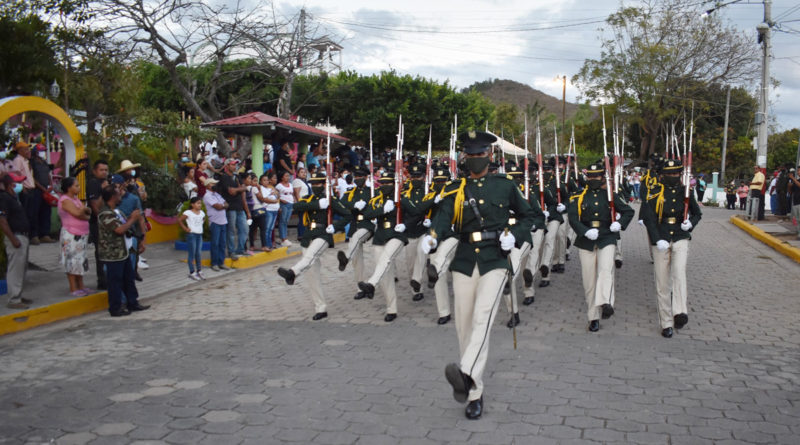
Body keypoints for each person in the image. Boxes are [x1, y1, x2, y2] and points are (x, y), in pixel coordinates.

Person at [422, 131, 534, 420]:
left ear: (490, 156)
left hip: (495, 258)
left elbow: (530, 216)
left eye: (480, 155)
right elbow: (443, 219)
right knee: (465, 325)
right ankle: (474, 390)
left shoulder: (505, 185)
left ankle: (466, 374)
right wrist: (433, 237)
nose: (475, 160)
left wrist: (516, 236)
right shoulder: (455, 188)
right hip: (465, 260)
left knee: (483, 318)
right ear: (465, 157)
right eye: (470, 155)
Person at [567, 161, 634, 333]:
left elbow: (628, 211)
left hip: (606, 237)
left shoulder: (610, 195)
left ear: (602, 177)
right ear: (586, 177)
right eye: (591, 176)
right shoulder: (578, 196)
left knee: (605, 271)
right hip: (586, 240)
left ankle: (605, 302)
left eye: (597, 176)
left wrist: (619, 224)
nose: (594, 179)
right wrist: (584, 231)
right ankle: (593, 317)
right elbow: (573, 219)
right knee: (589, 281)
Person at [640, 159, 702, 338]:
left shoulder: (686, 192)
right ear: (662, 175)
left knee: (679, 273)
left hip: (681, 236)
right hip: (661, 237)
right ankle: (666, 322)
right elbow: (649, 218)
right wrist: (656, 239)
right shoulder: (654, 192)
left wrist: (690, 224)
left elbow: (697, 213)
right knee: (662, 281)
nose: (673, 176)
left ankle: (680, 312)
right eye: (669, 174)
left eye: (676, 173)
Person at [277, 173, 348, 320]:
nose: (315, 186)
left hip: (323, 233)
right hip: (308, 235)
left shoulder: (330, 199)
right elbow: (295, 206)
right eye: (313, 184)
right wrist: (317, 204)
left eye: (318, 184)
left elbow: (347, 214)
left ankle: (292, 273)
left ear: (323, 185)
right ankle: (320, 308)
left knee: (310, 256)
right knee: (312, 275)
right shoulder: (308, 199)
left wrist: (335, 227)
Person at [97, 185, 150, 317]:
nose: (121, 196)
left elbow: (126, 227)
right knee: (115, 281)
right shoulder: (105, 214)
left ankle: (133, 302)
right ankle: (115, 308)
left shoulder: (117, 212)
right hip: (113, 254)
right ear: (112, 197)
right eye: (118, 194)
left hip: (124, 251)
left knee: (128, 278)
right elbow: (119, 230)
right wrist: (133, 218)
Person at [336, 167, 376, 299]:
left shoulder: (371, 192)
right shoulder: (350, 193)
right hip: (355, 225)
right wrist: (353, 206)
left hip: (368, 224)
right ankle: (361, 287)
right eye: (356, 177)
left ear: (366, 178)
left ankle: (346, 257)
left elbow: (376, 206)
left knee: (358, 238)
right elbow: (341, 205)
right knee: (357, 259)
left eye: (361, 177)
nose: (358, 179)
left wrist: (365, 206)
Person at [0, 172, 33, 309]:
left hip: (23, 236)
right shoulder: (3, 198)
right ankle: (14, 299)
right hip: (16, 236)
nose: (18, 185)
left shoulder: (13, 197)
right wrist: (13, 239)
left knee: (21, 269)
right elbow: (2, 221)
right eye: (15, 182)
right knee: (15, 269)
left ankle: (18, 294)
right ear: (9, 184)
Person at [57, 177, 92, 297]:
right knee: (72, 260)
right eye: (76, 186)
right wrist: (84, 211)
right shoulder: (65, 200)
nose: (79, 187)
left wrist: (84, 212)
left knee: (80, 260)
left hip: (81, 233)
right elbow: (78, 213)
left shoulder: (76, 200)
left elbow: (86, 215)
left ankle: (81, 285)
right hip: (71, 234)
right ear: (68, 188)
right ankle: (73, 287)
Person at [218, 158, 251, 259]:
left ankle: (240, 249)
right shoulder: (224, 177)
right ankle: (231, 251)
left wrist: (238, 189)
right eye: (232, 165)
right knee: (231, 230)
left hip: (239, 206)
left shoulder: (237, 176)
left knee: (245, 229)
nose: (234, 166)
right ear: (227, 166)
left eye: (235, 165)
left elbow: (244, 188)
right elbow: (231, 191)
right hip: (231, 207)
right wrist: (240, 189)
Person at [86, 160, 110, 289]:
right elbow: (96, 208)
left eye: (106, 170)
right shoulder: (94, 184)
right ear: (95, 171)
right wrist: (103, 191)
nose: (104, 172)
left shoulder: (105, 183)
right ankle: (102, 281)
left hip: (108, 223)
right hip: (98, 224)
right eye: (101, 170)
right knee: (101, 253)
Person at [29, 146, 55, 243]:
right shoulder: (32, 163)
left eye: (44, 151)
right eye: (41, 151)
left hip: (46, 190)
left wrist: (50, 184)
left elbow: (48, 174)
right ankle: (34, 235)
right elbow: (32, 177)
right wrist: (42, 188)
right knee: (35, 212)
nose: (43, 153)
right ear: (35, 152)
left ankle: (45, 234)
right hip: (37, 190)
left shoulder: (44, 162)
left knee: (46, 212)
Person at [202, 178, 229, 271]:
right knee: (215, 243)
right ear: (208, 185)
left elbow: (226, 204)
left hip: (223, 221)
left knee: (222, 243)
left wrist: (223, 206)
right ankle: (214, 263)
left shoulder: (217, 194)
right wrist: (223, 206)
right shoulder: (207, 196)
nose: (215, 185)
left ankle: (221, 262)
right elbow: (217, 206)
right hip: (214, 222)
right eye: (213, 183)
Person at [179, 196, 206, 281]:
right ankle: (192, 272)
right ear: (192, 204)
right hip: (192, 235)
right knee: (192, 253)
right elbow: (180, 220)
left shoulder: (202, 212)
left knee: (198, 253)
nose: (199, 205)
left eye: (200, 203)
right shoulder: (188, 212)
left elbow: (203, 219)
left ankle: (199, 270)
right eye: (197, 203)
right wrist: (185, 228)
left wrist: (200, 226)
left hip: (199, 235)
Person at [275, 171, 295, 246]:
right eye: (286, 176)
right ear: (282, 177)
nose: (288, 177)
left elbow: (292, 194)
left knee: (286, 221)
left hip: (290, 204)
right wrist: (281, 200)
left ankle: (284, 237)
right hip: (283, 204)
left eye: (288, 176)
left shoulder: (290, 185)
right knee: (282, 220)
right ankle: (283, 238)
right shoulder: (278, 186)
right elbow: (276, 195)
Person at [262, 172, 281, 250]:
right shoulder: (262, 189)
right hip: (269, 209)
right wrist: (274, 200)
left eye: (267, 180)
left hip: (275, 210)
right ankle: (267, 244)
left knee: (271, 228)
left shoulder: (272, 188)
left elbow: (278, 196)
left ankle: (269, 244)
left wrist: (276, 194)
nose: (266, 182)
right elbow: (265, 199)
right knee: (268, 228)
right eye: (264, 180)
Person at [292, 167, 311, 239]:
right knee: (302, 218)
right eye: (302, 172)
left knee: (306, 218)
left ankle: (305, 234)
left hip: (307, 202)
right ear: (297, 173)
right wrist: (300, 203)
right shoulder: (297, 181)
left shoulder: (305, 181)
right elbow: (296, 193)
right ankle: (301, 235)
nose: (304, 173)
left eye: (304, 172)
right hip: (302, 202)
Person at [789, 167, 800, 238]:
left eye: (799, 171)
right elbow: (791, 192)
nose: (798, 172)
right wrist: (789, 186)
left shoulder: (796, 180)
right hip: (795, 202)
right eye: (798, 171)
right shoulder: (797, 180)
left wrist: (793, 178)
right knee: (797, 220)